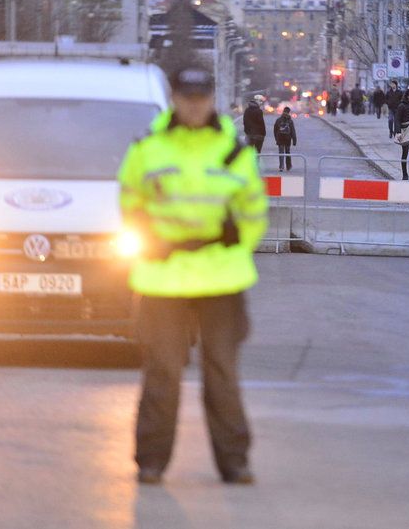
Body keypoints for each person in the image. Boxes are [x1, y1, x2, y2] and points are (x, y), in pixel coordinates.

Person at [118, 66, 267, 486]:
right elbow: (129, 204)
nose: (195, 105)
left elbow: (254, 212)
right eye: (187, 97)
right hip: (162, 276)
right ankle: (150, 462)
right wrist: (148, 238)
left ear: (211, 99)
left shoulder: (233, 151)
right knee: (162, 372)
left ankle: (234, 462)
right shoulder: (147, 149)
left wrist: (236, 242)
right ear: (175, 99)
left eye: (202, 97)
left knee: (222, 372)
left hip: (220, 275)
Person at [273, 106, 297, 172]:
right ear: (289, 112)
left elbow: (275, 130)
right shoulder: (290, 121)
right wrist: (294, 140)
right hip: (287, 139)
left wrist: (276, 138)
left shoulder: (278, 120)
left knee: (281, 153)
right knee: (287, 152)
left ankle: (281, 166)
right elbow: (293, 131)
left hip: (280, 139)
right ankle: (288, 166)